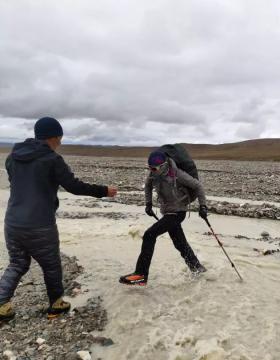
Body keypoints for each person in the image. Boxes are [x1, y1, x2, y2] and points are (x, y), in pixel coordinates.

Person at [0, 117, 117, 321]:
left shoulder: (12, 158)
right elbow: (74, 186)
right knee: (51, 264)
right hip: (40, 224)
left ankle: (1, 303)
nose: (60, 143)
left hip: (12, 222)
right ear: (52, 137)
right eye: (59, 138)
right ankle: (56, 304)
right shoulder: (52, 160)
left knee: (17, 263)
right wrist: (104, 191)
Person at [119, 150, 208, 286]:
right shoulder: (154, 174)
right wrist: (148, 203)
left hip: (178, 212)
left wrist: (203, 206)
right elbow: (148, 186)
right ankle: (197, 269)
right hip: (167, 212)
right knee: (180, 244)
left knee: (149, 234)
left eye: (153, 168)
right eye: (149, 168)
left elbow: (198, 186)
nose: (151, 171)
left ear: (163, 165)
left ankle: (141, 274)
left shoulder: (178, 174)